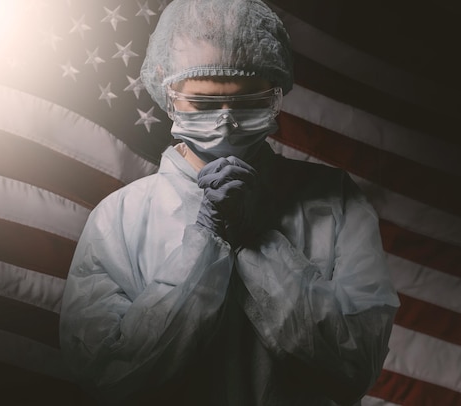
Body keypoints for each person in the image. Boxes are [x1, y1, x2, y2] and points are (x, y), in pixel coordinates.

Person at [59, 0, 400, 404]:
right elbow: (109, 376)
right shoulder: (118, 219)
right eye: (203, 103)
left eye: (247, 102)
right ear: (168, 89)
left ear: (275, 91)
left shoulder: (336, 202)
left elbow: (354, 364)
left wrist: (260, 241)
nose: (226, 121)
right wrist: (205, 241)